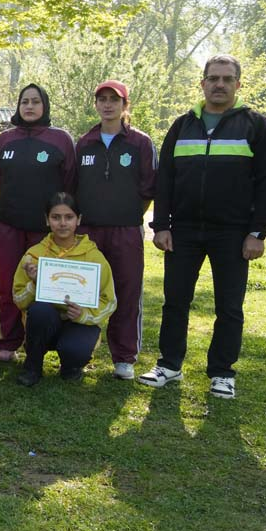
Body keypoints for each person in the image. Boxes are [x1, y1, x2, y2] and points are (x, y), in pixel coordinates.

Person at [141, 55, 266, 399]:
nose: (220, 84)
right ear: (202, 83)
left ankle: (222, 372)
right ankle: (169, 365)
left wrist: (257, 232)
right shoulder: (182, 125)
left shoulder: (256, 126)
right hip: (184, 230)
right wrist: (161, 225)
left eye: (227, 78)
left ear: (238, 84)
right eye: (214, 78)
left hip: (233, 233)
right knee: (175, 302)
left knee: (229, 308)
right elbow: (166, 180)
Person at [74, 80, 157, 380]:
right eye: (102, 99)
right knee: (85, 290)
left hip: (126, 231)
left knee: (126, 291)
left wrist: (129, 214)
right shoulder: (84, 143)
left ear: (125, 105)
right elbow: (73, 187)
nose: (108, 104)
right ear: (95, 104)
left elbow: (150, 186)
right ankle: (79, 351)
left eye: (114, 99)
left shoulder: (140, 143)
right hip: (89, 231)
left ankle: (124, 357)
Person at [0, 83, 75, 363]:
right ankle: (8, 343)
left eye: (35, 101)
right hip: (9, 224)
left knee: (44, 285)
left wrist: (59, 221)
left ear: (45, 106)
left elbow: (69, 183)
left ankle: (38, 343)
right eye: (24, 101)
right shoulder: (4, 140)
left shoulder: (61, 139)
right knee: (8, 285)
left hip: (45, 230)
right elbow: (1, 178)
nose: (29, 106)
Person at [14, 193, 117, 387]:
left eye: (69, 217)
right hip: (47, 322)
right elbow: (18, 299)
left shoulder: (95, 258)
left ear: (79, 219)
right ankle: (32, 366)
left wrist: (84, 314)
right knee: (40, 311)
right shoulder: (34, 255)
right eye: (56, 217)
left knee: (75, 350)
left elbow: (109, 300)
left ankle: (71, 365)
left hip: (78, 323)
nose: (62, 223)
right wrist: (34, 284)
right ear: (47, 220)